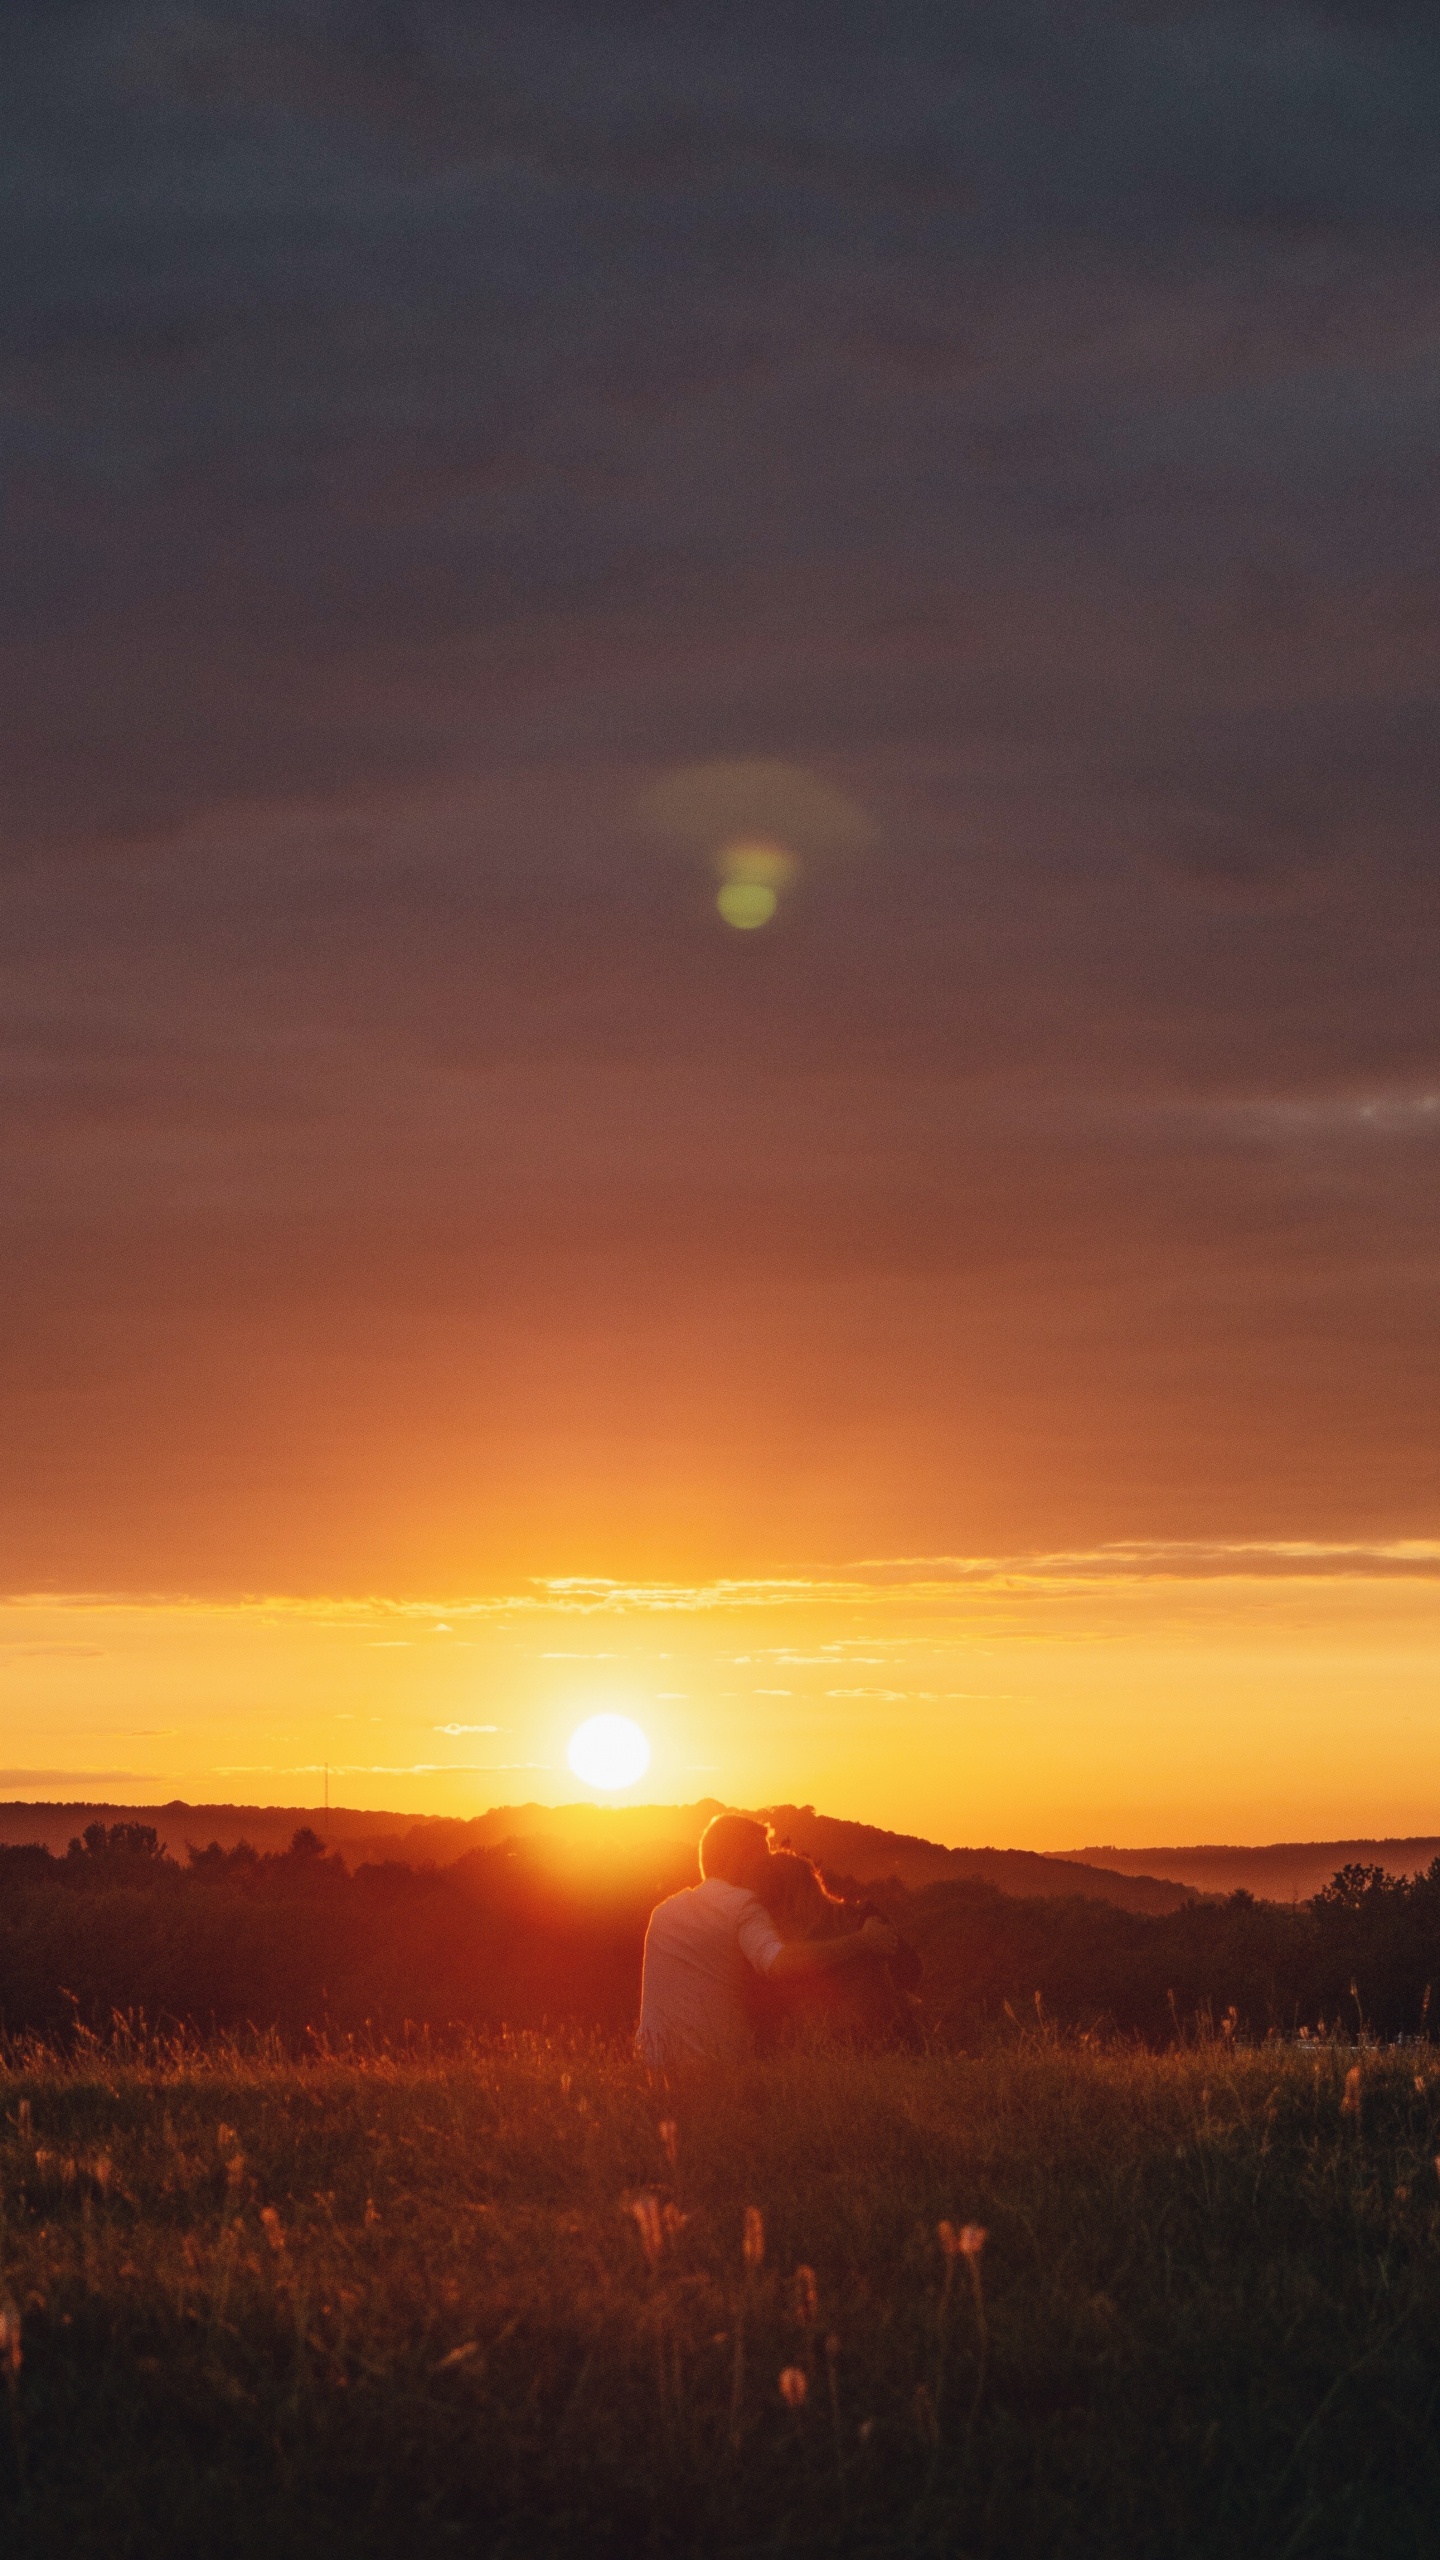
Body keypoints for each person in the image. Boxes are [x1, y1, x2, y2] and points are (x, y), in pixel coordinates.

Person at [635, 1811, 899, 2070]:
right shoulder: (743, 1906)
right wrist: (862, 1942)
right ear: (740, 1857)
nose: (769, 1868)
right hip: (718, 2076)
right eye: (763, 1858)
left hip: (654, 2071)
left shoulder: (664, 1912)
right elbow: (779, 1964)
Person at [752, 1848, 924, 2050]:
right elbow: (911, 1966)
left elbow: (909, 1965)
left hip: (847, 2045)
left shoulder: (777, 1940)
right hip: (883, 2042)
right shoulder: (860, 1918)